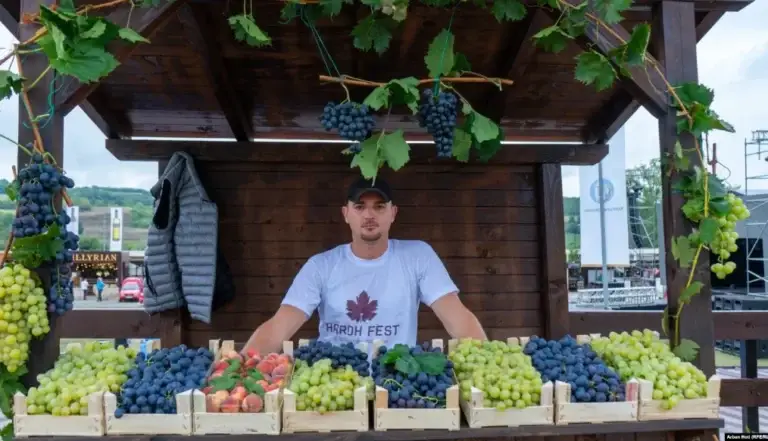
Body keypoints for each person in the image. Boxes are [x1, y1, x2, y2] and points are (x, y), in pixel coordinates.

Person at [243, 176, 487, 355]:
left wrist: (490, 363)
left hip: (396, 383)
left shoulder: (418, 256)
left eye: (379, 207)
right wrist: (240, 367)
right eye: (360, 207)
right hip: (337, 382)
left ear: (393, 213)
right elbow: (279, 326)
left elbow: (457, 319)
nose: (369, 215)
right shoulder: (321, 266)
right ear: (346, 213)